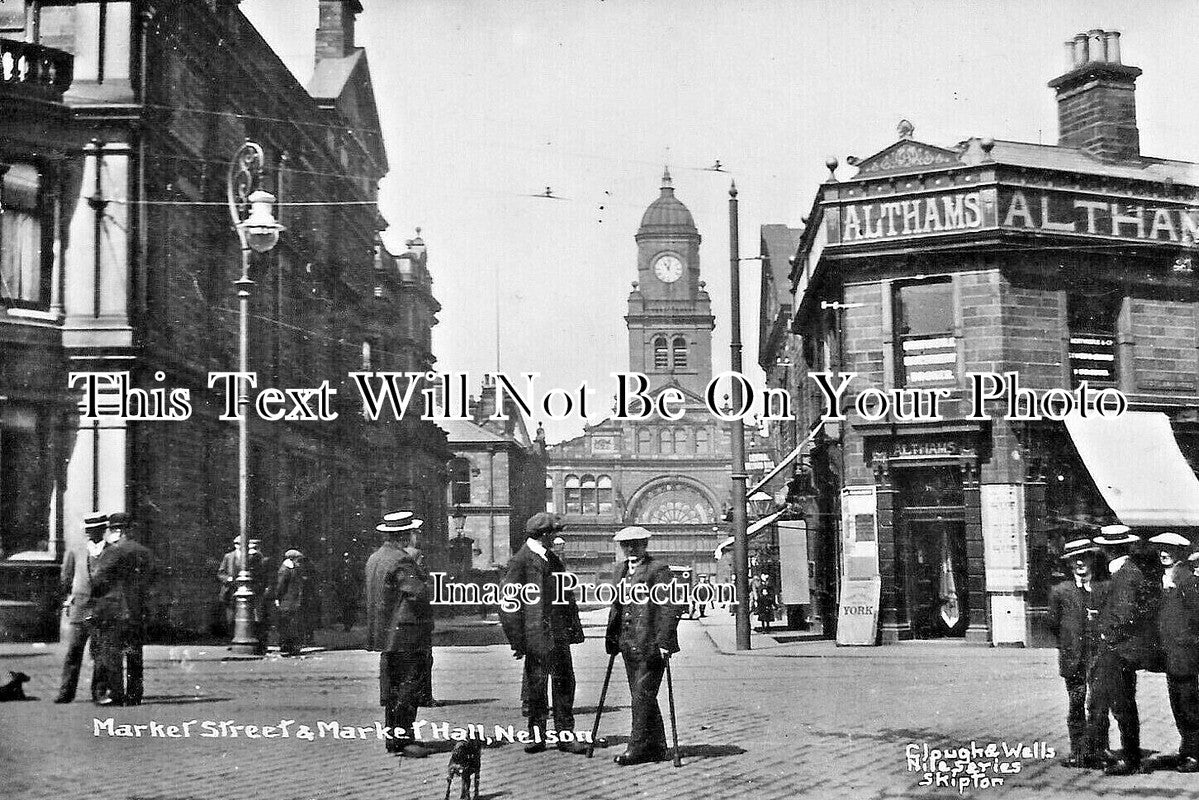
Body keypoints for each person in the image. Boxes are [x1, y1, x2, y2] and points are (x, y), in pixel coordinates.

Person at [500, 513, 588, 754]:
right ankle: (536, 736)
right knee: (536, 687)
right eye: (554, 533)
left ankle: (565, 736)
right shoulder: (520, 561)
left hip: (558, 635)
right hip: (535, 638)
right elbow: (509, 604)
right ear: (545, 535)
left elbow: (565, 597)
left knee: (564, 684)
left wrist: (573, 630)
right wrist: (517, 641)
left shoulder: (552, 559)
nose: (556, 537)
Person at [604, 526, 683, 766]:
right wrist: (613, 637)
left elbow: (670, 606)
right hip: (628, 644)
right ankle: (657, 746)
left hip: (650, 644)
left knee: (641, 696)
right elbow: (617, 606)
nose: (630, 549)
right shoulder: (619, 570)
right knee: (644, 696)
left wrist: (665, 641)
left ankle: (636, 747)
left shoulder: (658, 570)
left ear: (645, 545)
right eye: (625, 545)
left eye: (635, 544)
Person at [364, 512, 435, 757]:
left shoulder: (375, 558)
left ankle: (393, 738)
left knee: (392, 688)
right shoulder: (402, 560)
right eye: (414, 532)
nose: (417, 536)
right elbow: (418, 593)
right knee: (408, 687)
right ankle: (404, 740)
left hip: (386, 635)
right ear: (404, 535)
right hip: (406, 633)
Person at [1088, 524, 1156, 775]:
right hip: (1121, 648)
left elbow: (1125, 613)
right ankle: (1131, 756)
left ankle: (1131, 759)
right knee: (1123, 703)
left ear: (1109, 549)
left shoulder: (1125, 574)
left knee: (1121, 704)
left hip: (1119, 650)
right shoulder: (1126, 571)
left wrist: (1106, 633)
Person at [1047, 538, 1107, 767]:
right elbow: (1053, 623)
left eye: (1084, 557)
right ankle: (1079, 751)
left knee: (1099, 705)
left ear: (1092, 560)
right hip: (1073, 658)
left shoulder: (1103, 588)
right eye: (1075, 559)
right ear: (1070, 563)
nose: (1080, 562)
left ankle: (1099, 751)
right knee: (1076, 703)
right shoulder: (1060, 591)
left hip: (1098, 657)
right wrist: (1068, 642)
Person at [1145, 533, 1199, 772]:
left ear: (1180, 552)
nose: (1163, 553)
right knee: (1178, 703)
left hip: (1185, 654)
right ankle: (1187, 749)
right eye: (1161, 549)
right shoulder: (1164, 578)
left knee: (1189, 705)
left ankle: (1195, 753)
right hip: (1171, 655)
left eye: (1169, 549)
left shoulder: (1188, 580)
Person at [89, 512, 154, 706]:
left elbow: (98, 579)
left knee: (112, 654)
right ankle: (135, 694)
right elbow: (152, 580)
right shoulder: (144, 552)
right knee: (134, 653)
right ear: (130, 528)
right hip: (136, 609)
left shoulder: (113, 551)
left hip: (113, 610)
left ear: (115, 530)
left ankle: (116, 694)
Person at [54, 512, 109, 704]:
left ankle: (100, 693)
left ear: (104, 530)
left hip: (102, 609)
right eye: (90, 530)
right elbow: (66, 577)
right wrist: (71, 596)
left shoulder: (113, 550)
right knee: (74, 652)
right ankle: (66, 693)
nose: (94, 533)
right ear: (86, 531)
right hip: (80, 608)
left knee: (101, 654)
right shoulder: (75, 550)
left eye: (98, 529)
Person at [275, 549, 315, 656]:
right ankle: (286, 647)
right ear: (292, 559)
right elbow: (280, 586)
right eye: (298, 560)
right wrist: (277, 598)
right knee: (287, 624)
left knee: (292, 624)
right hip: (287, 601)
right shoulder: (285, 570)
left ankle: (291, 647)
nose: (299, 562)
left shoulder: (293, 569)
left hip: (293, 601)